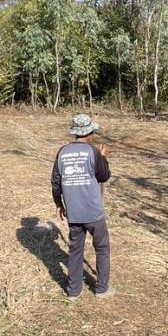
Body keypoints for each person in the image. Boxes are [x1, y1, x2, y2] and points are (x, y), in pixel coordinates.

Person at [51, 113, 114, 299]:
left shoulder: (62, 152)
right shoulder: (93, 151)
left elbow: (55, 181)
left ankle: (73, 292)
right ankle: (102, 289)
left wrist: (58, 203)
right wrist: (103, 158)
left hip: (74, 212)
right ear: (89, 133)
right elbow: (104, 176)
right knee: (102, 248)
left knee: (75, 251)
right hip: (94, 212)